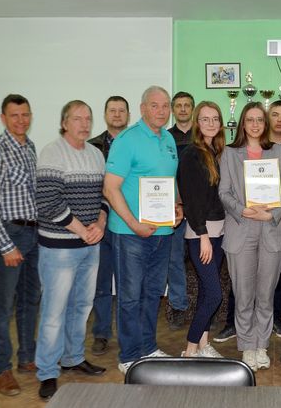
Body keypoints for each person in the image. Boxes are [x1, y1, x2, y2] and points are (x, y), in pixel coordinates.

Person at [103, 86, 183, 375]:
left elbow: (168, 180)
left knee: (153, 294)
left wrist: (177, 206)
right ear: (142, 108)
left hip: (162, 233)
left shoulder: (169, 139)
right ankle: (128, 355)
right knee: (130, 296)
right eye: (155, 105)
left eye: (165, 106)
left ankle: (148, 347)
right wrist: (134, 224)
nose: (161, 111)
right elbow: (110, 189)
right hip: (130, 234)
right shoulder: (127, 140)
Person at [35, 100, 108, 400]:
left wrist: (100, 224)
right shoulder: (52, 153)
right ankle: (47, 372)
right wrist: (83, 230)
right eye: (77, 118)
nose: (84, 123)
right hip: (59, 247)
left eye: (88, 118)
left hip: (90, 245)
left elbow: (104, 196)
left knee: (82, 305)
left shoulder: (95, 154)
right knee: (54, 311)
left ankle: (73, 358)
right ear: (64, 123)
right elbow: (48, 201)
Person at [219, 102, 281, 371]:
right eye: (250, 120)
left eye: (259, 120)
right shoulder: (229, 153)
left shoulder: (278, 151)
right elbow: (224, 192)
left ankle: (261, 345)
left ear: (265, 124)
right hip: (241, 228)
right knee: (243, 293)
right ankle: (247, 346)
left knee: (265, 294)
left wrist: (270, 214)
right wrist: (243, 210)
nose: (255, 124)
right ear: (243, 123)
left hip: (272, 229)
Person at [0, 94, 40, 396]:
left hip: (34, 235)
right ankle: (2, 369)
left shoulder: (30, 148)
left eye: (25, 114)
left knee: (30, 300)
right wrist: (5, 246)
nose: (21, 120)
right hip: (10, 235)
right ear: (3, 118)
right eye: (14, 115)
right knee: (3, 309)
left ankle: (26, 357)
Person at [178, 101, 227, 358]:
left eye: (215, 119)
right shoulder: (192, 154)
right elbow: (192, 200)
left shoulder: (214, 152)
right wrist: (203, 236)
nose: (211, 123)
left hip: (219, 231)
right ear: (197, 123)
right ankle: (190, 349)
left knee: (208, 292)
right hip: (202, 234)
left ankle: (204, 344)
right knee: (214, 295)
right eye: (205, 119)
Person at [88, 96, 130, 356]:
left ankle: (128, 334)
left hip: (127, 223)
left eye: (121, 110)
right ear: (105, 115)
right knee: (102, 283)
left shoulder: (135, 142)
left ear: (128, 115)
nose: (117, 114)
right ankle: (101, 333)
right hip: (100, 223)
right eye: (112, 110)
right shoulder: (92, 147)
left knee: (128, 284)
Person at [164, 91, 195, 330]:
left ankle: (206, 307)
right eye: (179, 105)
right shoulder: (164, 138)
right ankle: (178, 306)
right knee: (174, 259)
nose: (183, 109)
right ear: (173, 110)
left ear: (192, 109)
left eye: (187, 105)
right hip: (173, 209)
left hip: (198, 209)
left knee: (203, 259)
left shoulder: (202, 135)